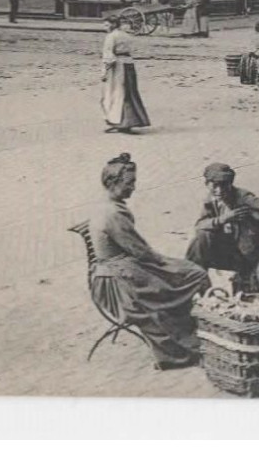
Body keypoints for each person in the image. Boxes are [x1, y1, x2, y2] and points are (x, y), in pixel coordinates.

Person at [87, 154, 208, 370]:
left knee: (184, 273)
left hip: (121, 269)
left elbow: (137, 250)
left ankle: (192, 332)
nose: (133, 187)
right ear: (112, 183)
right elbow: (141, 251)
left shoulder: (107, 205)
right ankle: (183, 348)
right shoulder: (112, 213)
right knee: (193, 275)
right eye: (129, 183)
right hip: (118, 283)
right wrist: (168, 264)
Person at [185, 162, 259, 293]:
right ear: (207, 184)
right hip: (231, 250)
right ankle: (200, 288)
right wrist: (223, 219)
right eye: (214, 185)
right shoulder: (212, 200)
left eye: (224, 185)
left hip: (253, 253)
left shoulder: (245, 199)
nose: (219, 190)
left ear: (230, 184)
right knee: (200, 238)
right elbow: (200, 226)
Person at [101, 14, 150, 134]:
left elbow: (108, 55)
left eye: (107, 25)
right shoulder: (126, 35)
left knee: (116, 92)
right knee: (129, 91)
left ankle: (121, 122)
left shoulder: (111, 36)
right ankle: (131, 120)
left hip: (117, 65)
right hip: (129, 64)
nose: (105, 27)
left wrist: (105, 71)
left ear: (113, 25)